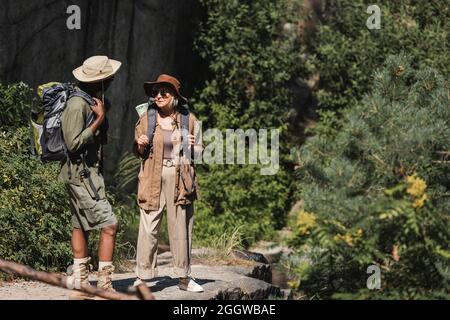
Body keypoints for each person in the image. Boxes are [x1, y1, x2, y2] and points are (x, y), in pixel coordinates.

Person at [133, 74, 204, 292]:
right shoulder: (146, 118)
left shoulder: (189, 119)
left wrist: (192, 146)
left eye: (164, 92)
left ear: (174, 96)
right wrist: (141, 143)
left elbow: (200, 154)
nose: (158, 96)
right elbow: (138, 151)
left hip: (180, 178)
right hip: (151, 177)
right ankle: (142, 278)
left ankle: (184, 277)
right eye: (155, 93)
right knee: (148, 227)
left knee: (180, 227)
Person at [60, 55, 121, 298]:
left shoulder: (91, 99)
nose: (113, 78)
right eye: (109, 76)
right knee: (109, 225)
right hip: (81, 175)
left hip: (86, 174)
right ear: (100, 79)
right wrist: (99, 120)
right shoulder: (77, 105)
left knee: (80, 225)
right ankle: (104, 286)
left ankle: (81, 285)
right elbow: (73, 144)